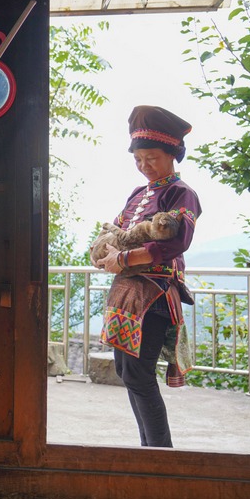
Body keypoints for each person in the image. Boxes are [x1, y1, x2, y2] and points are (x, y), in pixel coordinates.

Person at [92, 105, 201, 448]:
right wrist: (105, 253)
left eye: (151, 157)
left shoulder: (181, 194)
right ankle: (149, 449)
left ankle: (160, 452)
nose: (144, 166)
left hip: (153, 294)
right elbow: (118, 229)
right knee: (127, 373)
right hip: (126, 293)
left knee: (139, 374)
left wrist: (123, 258)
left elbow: (176, 241)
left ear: (172, 154)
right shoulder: (138, 194)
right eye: (138, 159)